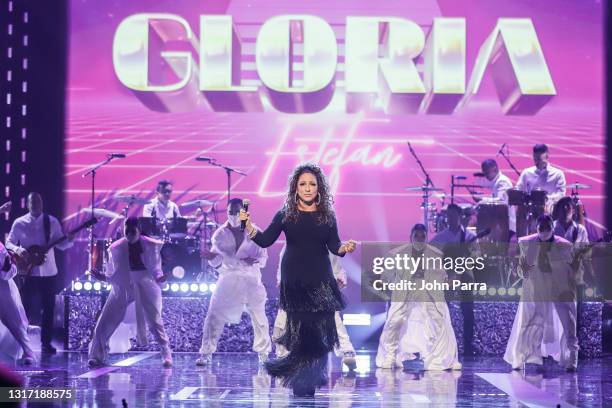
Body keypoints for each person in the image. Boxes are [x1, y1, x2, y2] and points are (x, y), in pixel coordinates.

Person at [239, 163, 356, 398]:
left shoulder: (328, 216)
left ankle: (310, 378)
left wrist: (344, 248)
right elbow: (264, 241)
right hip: (295, 281)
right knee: (301, 333)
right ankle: (301, 381)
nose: (308, 188)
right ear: (295, 187)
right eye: (303, 184)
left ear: (319, 187)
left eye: (312, 184)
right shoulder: (285, 214)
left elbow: (334, 245)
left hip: (321, 281)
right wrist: (248, 226)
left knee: (319, 333)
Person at [88, 217, 173, 367]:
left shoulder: (150, 245)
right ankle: (96, 355)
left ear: (139, 230)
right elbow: (112, 271)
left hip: (146, 283)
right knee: (105, 321)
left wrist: (160, 278)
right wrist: (104, 278)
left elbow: (155, 268)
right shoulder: (116, 248)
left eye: (133, 230)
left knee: (154, 321)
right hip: (123, 285)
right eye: (127, 229)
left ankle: (166, 353)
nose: (130, 233)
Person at [196, 198, 271, 366]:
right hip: (228, 279)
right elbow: (217, 263)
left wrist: (254, 261)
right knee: (214, 315)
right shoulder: (220, 234)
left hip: (251, 279)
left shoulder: (255, 232)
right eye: (231, 212)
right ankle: (206, 353)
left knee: (259, 318)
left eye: (238, 212)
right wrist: (212, 258)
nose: (234, 216)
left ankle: (264, 354)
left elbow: (263, 258)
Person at [376, 224, 461, 370]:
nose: (420, 239)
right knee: (395, 321)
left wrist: (447, 282)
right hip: (405, 293)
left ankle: (442, 359)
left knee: (438, 320)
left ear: (426, 237)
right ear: (411, 237)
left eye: (423, 236)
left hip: (428, 292)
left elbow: (442, 276)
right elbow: (386, 277)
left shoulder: (434, 254)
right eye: (417, 236)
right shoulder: (397, 254)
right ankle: (390, 355)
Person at [504, 214, 579, 371]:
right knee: (528, 323)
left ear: (552, 227)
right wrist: (520, 269)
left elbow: (572, 270)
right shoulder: (526, 243)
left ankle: (571, 360)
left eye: (547, 227)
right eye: (541, 228)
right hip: (536, 289)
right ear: (536, 228)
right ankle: (520, 357)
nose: (544, 231)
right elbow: (523, 270)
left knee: (568, 324)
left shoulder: (564, 245)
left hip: (560, 289)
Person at [6, 192, 73, 354]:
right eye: (33, 202)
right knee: (24, 309)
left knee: (48, 308)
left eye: (38, 202)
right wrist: (19, 250)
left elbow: (61, 245)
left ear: (42, 203)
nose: (36, 204)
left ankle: (46, 343)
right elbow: (9, 242)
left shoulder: (51, 222)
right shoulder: (19, 223)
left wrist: (69, 240)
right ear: (28, 204)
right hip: (28, 272)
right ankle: (21, 344)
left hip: (49, 271)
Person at [273, 244, 357, 370]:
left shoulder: (328, 242)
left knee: (332, 315)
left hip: (320, 287)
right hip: (295, 286)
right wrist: (283, 280)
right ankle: (283, 354)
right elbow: (283, 263)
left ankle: (346, 350)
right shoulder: (293, 240)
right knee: (285, 316)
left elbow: (336, 267)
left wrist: (338, 279)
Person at [431, 204, 478, 355]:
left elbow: (477, 256)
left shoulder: (470, 236)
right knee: (444, 310)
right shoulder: (440, 238)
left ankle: (468, 347)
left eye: (454, 215)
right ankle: (444, 344)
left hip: (465, 276)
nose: (451, 218)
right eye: (448, 216)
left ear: (459, 217)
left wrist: (467, 259)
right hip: (447, 277)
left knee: (468, 311)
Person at [0, 210, 35, 365]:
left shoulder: (0, 249)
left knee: (13, 320)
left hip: (3, 288)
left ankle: (29, 352)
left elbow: (10, 270)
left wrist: (6, 269)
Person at [516, 144, 566, 236]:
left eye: (539, 159)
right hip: (531, 210)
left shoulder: (558, 174)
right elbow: (518, 190)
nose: (537, 162)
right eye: (535, 159)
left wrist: (547, 199)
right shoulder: (527, 173)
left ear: (547, 156)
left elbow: (561, 194)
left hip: (550, 210)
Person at [480, 159, 516, 233]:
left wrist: (482, 199)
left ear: (495, 169)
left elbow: (501, 201)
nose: (485, 175)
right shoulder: (497, 181)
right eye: (484, 173)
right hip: (502, 223)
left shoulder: (502, 181)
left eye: (487, 172)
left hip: (506, 224)